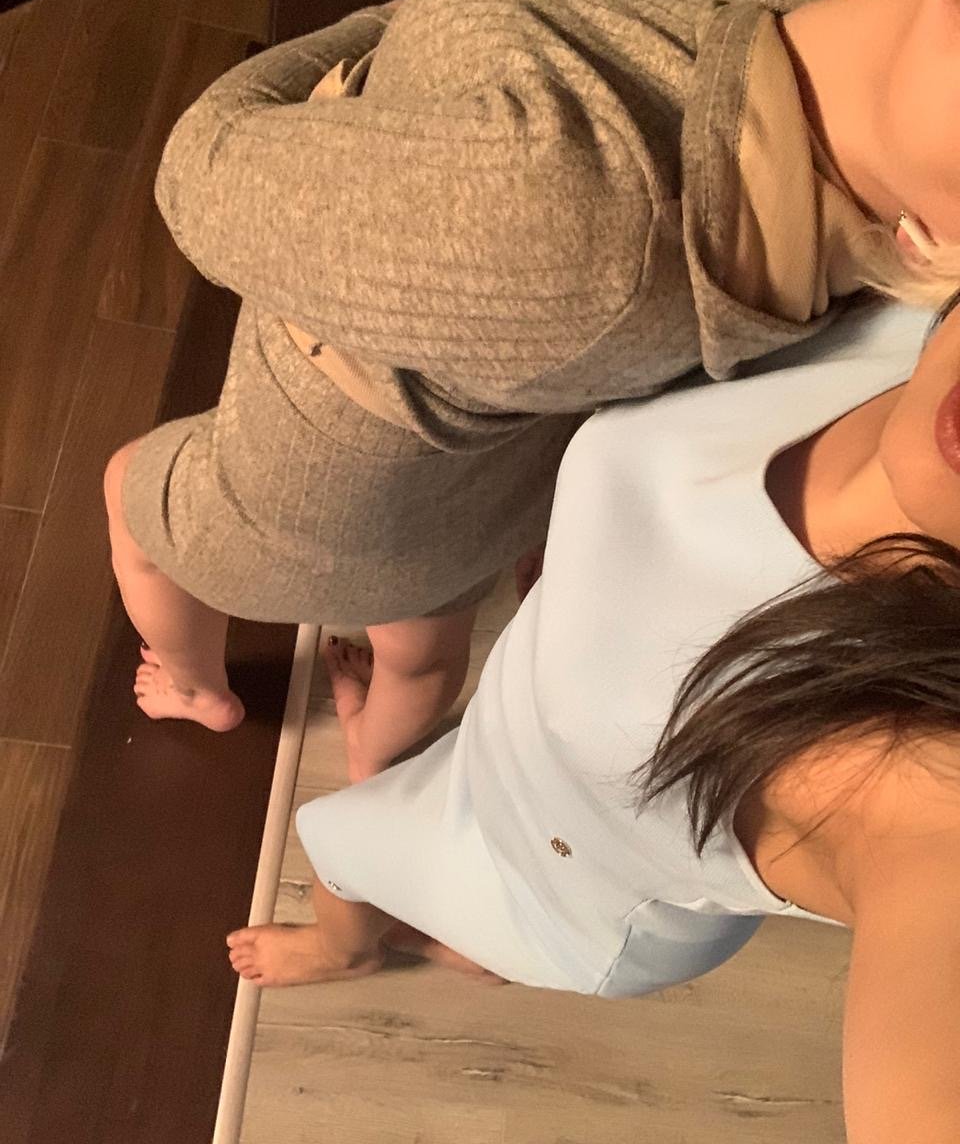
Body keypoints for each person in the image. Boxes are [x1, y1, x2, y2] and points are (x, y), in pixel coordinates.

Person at [104, 0, 960, 782]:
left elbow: (198, 168)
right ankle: (373, 763)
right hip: (479, 501)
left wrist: (385, 28)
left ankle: (197, 687)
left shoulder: (574, 209)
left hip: (310, 500)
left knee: (132, 499)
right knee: (421, 659)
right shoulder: (811, 62)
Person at [227, 286, 960, 1141]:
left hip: (554, 888)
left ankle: (348, 950)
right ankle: (458, 932)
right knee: (414, 811)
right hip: (531, 740)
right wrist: (582, 575)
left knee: (334, 842)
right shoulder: (910, 294)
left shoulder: (930, 797)